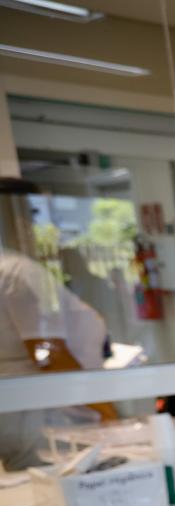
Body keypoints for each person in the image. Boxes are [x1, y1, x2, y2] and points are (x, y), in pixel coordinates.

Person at [0, 177, 116, 470]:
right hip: (50, 416)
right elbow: (48, 356)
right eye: (34, 213)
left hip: (22, 411)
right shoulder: (19, 273)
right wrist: (107, 410)